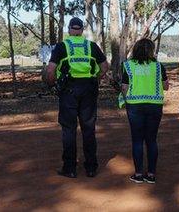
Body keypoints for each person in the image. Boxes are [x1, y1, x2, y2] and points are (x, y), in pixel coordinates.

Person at [44, 16, 110, 178]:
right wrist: (96, 78)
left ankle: (70, 168)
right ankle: (91, 168)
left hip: (69, 91)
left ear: (69, 30)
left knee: (69, 129)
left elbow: (51, 70)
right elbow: (104, 67)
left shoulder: (61, 47)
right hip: (88, 89)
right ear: (81, 30)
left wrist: (52, 85)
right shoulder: (91, 46)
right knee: (88, 129)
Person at [119, 37, 168, 184]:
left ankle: (139, 174)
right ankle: (151, 174)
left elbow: (124, 88)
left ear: (136, 49)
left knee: (137, 140)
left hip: (135, 105)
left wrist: (124, 98)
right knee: (151, 140)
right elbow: (166, 86)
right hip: (154, 105)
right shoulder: (159, 66)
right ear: (151, 51)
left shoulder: (128, 65)